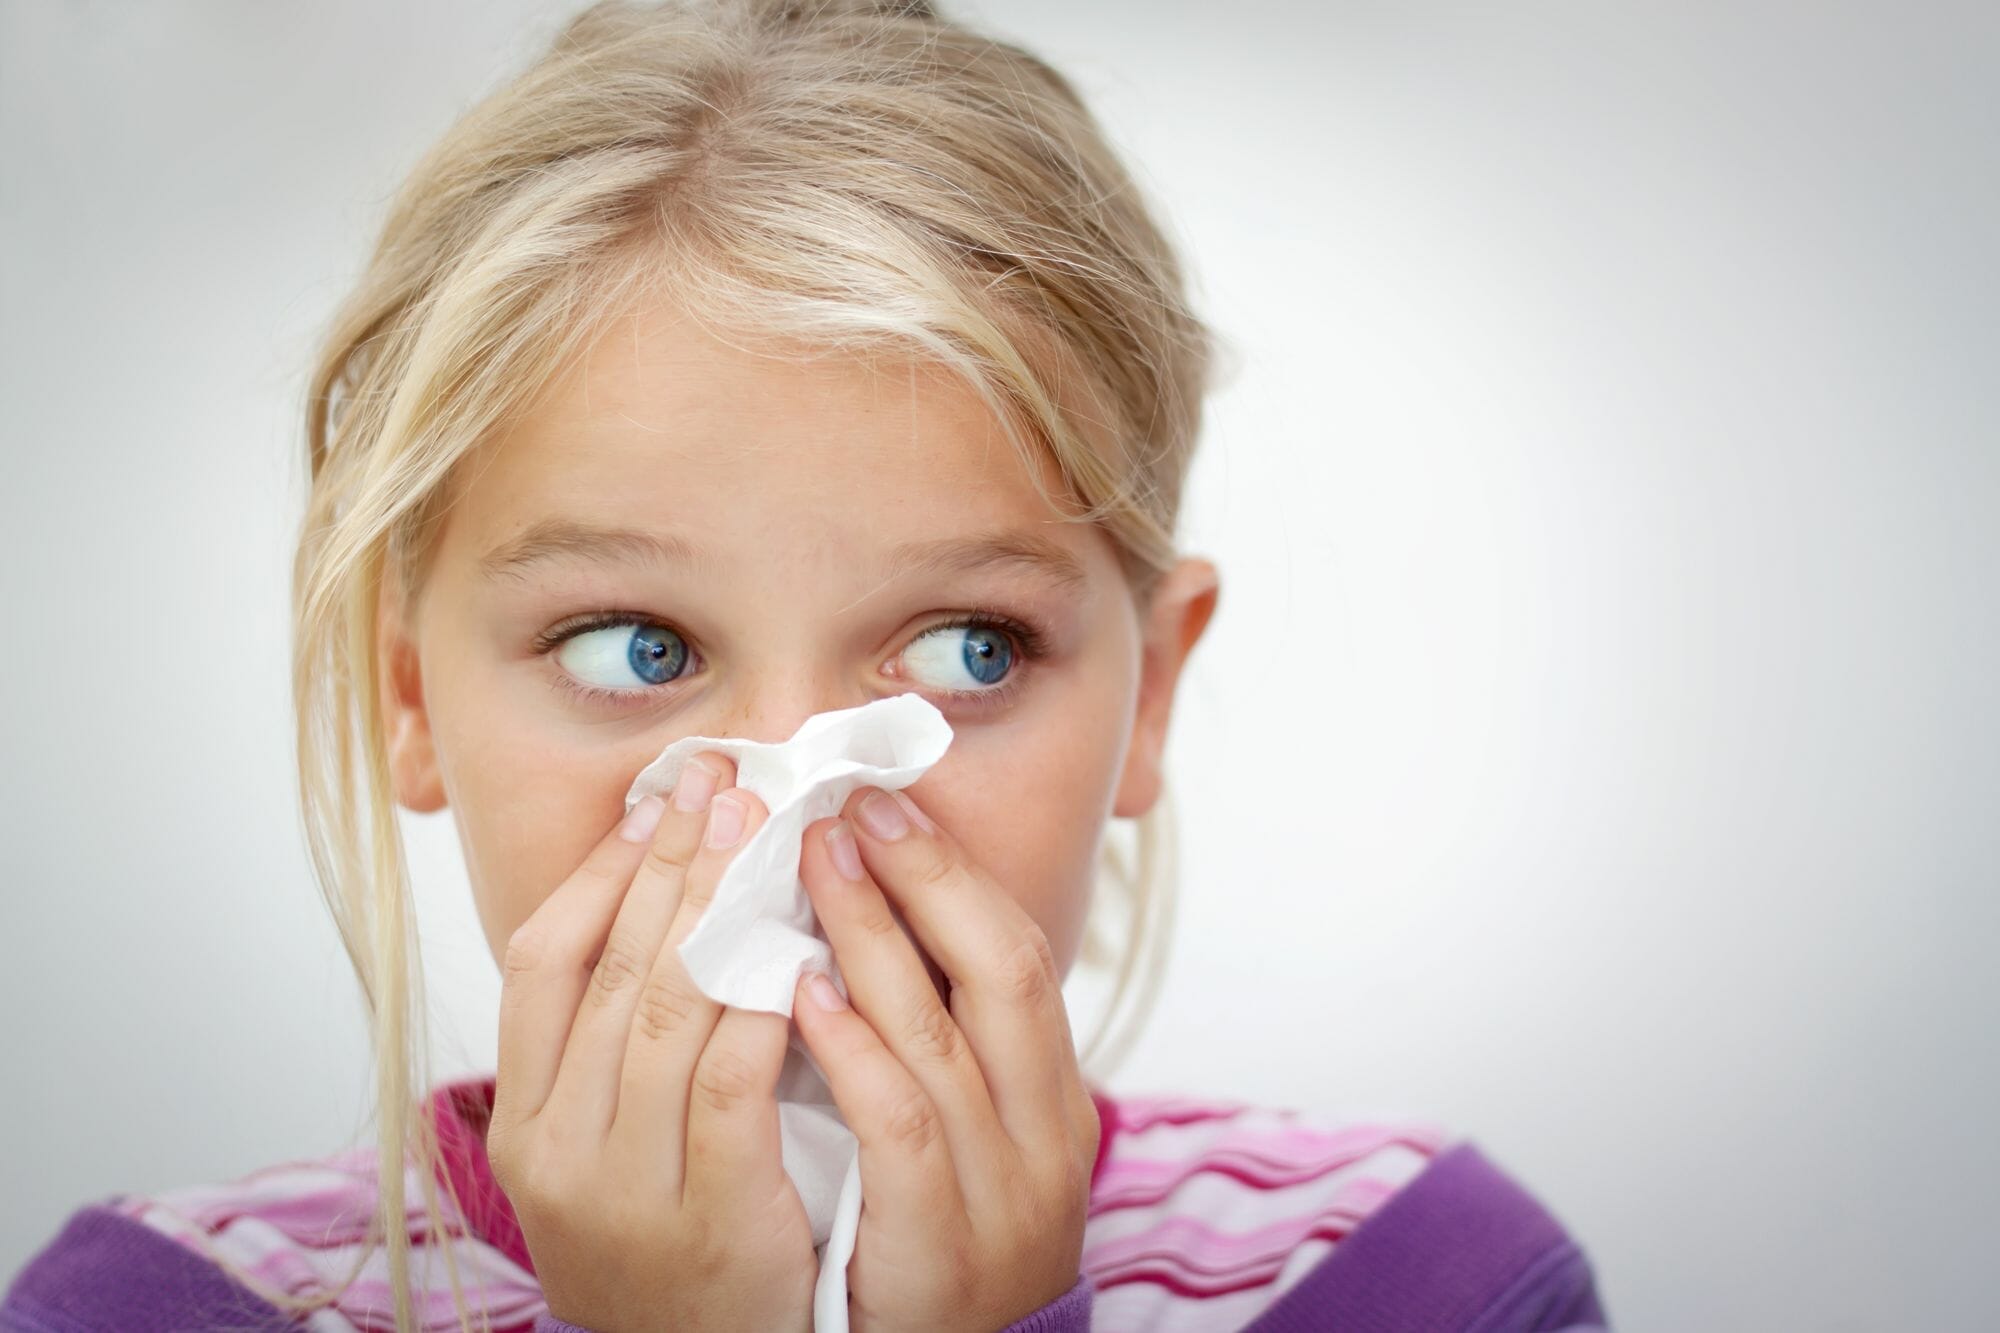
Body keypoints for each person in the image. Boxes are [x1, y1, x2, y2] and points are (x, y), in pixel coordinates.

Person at [2, 1, 1610, 1328]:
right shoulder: (165, 1305)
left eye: (968, 649)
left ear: (1153, 695)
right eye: (638, 647)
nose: (797, 811)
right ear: (412, 697)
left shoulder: (1416, 1276)